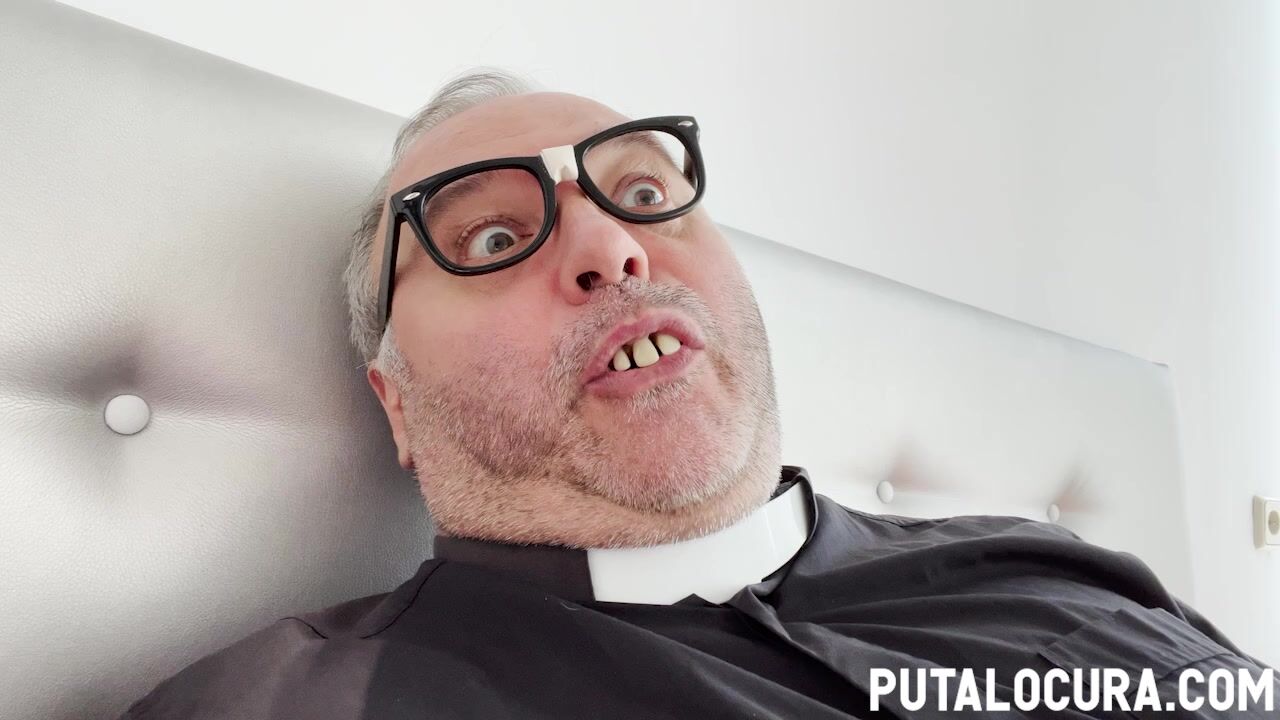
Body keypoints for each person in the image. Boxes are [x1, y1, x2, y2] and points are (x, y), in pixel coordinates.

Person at [120, 70, 1275, 719]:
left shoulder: (1057, 571)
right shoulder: (291, 707)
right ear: (396, 406)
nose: (609, 247)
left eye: (640, 195)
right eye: (492, 237)